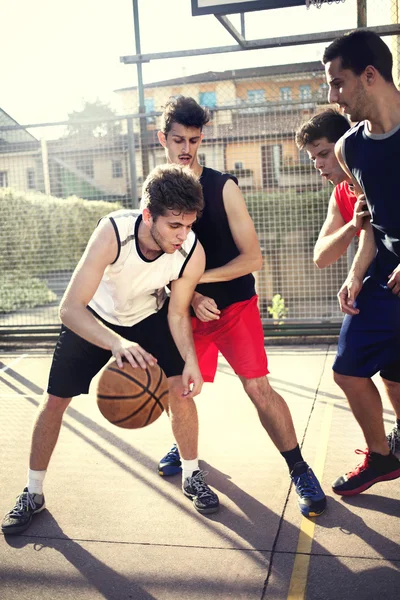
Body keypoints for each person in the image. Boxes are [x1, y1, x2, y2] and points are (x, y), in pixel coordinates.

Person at [1, 164, 220, 536]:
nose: (183, 235)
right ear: (148, 215)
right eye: (174, 226)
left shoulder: (190, 252)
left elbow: (178, 313)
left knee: (181, 388)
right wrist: (116, 342)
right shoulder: (113, 232)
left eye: (189, 225)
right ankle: (33, 492)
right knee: (54, 400)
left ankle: (191, 475)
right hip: (95, 316)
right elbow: (69, 308)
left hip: (148, 317)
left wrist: (191, 363)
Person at [156, 96, 327, 518]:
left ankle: (299, 469)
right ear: (162, 139)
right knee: (179, 390)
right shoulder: (157, 191)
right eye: (178, 139)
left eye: (194, 140)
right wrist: (190, 295)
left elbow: (253, 258)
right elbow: (157, 262)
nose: (186, 149)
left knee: (258, 389)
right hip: (186, 311)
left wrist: (199, 280)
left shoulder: (222, 187)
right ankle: (185, 448)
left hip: (234, 308)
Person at [321, 29, 400, 496]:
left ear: (369, 76)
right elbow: (368, 217)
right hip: (384, 270)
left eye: (338, 82)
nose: (333, 96)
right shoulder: (351, 148)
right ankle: (382, 457)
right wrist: (354, 272)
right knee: (348, 370)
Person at [296, 108, 400, 453]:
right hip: (382, 282)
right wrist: (350, 226)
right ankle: (385, 452)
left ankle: (384, 452)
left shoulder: (377, 169)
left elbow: (375, 233)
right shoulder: (341, 193)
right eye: (314, 158)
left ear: (345, 145)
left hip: (387, 275)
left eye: (324, 153)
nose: (319, 165)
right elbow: (321, 255)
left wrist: (356, 274)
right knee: (389, 375)